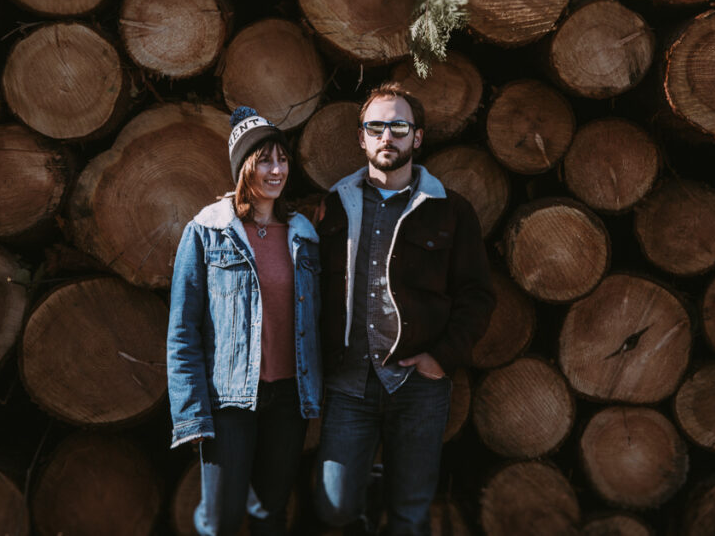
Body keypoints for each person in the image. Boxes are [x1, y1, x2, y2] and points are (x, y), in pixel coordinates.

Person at [313, 83, 494, 534]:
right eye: (376, 126)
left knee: (410, 512)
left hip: (418, 388)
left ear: (417, 137)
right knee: (335, 507)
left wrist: (443, 358)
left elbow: (476, 294)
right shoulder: (332, 207)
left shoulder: (450, 211)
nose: (386, 136)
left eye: (399, 126)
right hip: (348, 385)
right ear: (361, 138)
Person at [168, 106, 322, 536]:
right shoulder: (206, 232)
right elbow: (183, 332)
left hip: (290, 399)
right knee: (220, 519)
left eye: (282, 159)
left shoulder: (304, 235)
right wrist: (192, 414)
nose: (277, 170)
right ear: (243, 169)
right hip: (230, 400)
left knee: (269, 513)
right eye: (264, 161)